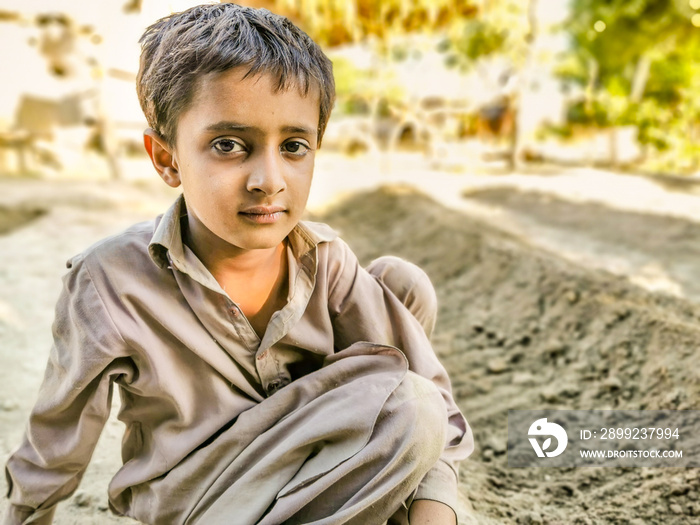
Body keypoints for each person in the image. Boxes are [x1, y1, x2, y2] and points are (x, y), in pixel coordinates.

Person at [3, 3, 473, 524]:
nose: (268, 180)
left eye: (294, 146)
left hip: (306, 466)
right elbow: (58, 436)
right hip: (203, 499)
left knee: (400, 289)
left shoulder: (326, 263)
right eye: (229, 145)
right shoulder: (111, 282)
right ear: (167, 158)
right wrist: (26, 513)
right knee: (409, 404)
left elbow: (438, 403)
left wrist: (435, 507)